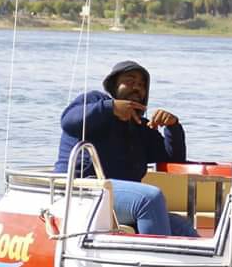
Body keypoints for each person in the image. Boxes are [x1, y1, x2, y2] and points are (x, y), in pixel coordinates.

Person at [54, 60, 197, 237]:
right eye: (130, 81)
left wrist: (173, 127)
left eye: (141, 85)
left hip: (117, 198)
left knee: (180, 226)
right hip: (80, 190)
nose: (136, 87)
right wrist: (110, 108)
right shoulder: (94, 102)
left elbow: (172, 159)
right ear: (114, 85)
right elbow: (68, 121)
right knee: (148, 199)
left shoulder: (139, 126)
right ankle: (151, 261)